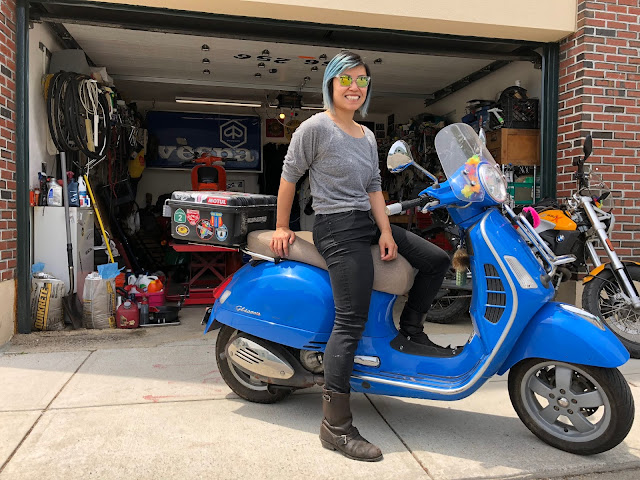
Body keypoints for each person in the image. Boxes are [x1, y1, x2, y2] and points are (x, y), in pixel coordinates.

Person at [269, 50, 450, 462]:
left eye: (362, 80)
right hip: (334, 226)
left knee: (436, 260)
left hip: (366, 222)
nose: (355, 87)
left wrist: (386, 230)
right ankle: (335, 427)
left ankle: (412, 331)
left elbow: (373, 187)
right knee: (352, 318)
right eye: (346, 79)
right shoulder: (315, 128)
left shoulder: (366, 135)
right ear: (331, 83)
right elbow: (289, 177)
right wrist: (281, 226)